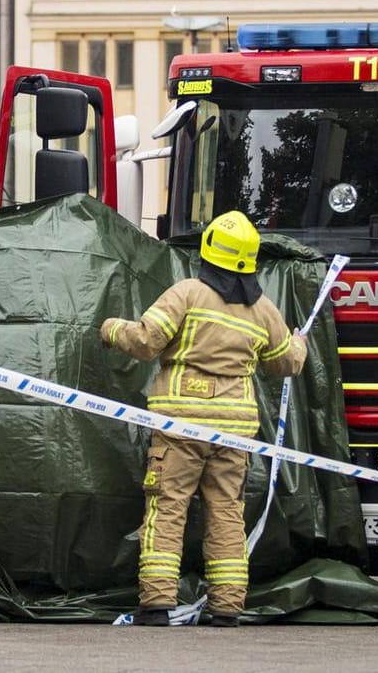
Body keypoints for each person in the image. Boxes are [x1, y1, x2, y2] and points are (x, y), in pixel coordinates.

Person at [100, 210, 307, 627]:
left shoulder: (187, 293)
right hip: (235, 433)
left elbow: (145, 340)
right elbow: (286, 362)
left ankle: (156, 604)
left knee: (168, 508)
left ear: (209, 251)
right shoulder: (263, 309)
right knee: (227, 512)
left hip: (181, 426)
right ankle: (227, 607)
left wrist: (109, 328)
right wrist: (300, 342)